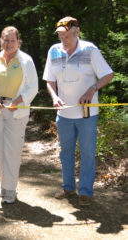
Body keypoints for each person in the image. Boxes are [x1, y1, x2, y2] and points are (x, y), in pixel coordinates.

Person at [43, 16, 114, 206]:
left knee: (88, 152)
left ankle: (85, 191)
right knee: (66, 151)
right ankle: (68, 186)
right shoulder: (54, 51)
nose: (63, 40)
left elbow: (108, 74)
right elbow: (49, 80)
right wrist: (54, 97)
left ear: (77, 32)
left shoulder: (90, 50)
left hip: (87, 114)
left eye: (67, 36)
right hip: (63, 115)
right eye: (60, 36)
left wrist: (92, 89)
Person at [0, 26, 38, 204]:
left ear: (18, 41)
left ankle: (10, 190)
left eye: (12, 40)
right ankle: (4, 186)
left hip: (16, 111)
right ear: (0, 40)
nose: (9, 44)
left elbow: (33, 87)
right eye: (6, 40)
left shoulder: (26, 61)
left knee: (12, 152)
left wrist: (18, 101)